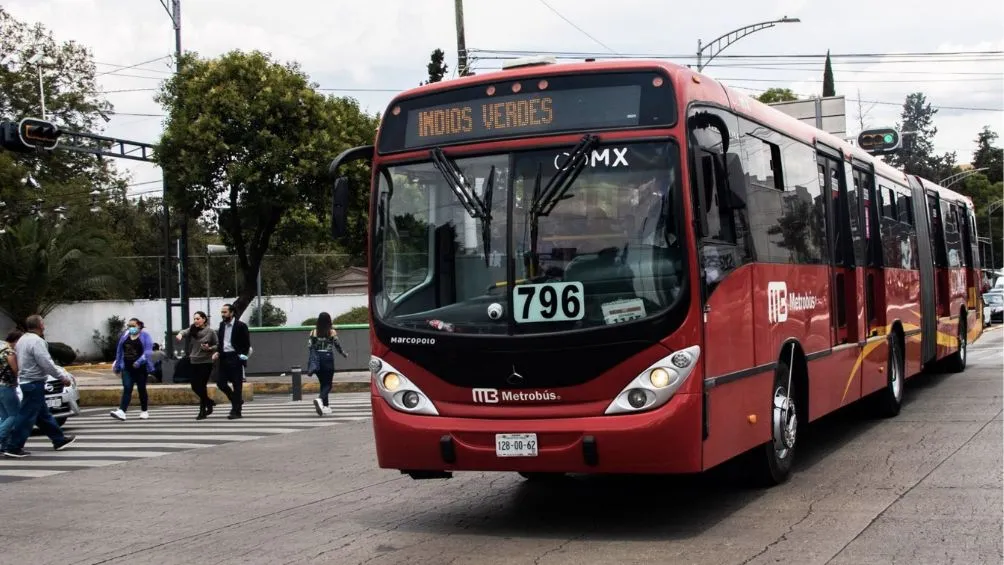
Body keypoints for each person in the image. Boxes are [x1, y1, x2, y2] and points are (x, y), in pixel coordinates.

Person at [4, 315, 76, 458]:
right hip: (34, 383)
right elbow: (46, 363)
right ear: (40, 325)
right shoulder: (37, 341)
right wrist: (62, 377)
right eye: (42, 323)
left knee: (43, 415)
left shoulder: (22, 340)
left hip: (27, 382)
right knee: (26, 416)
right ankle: (14, 447)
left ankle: (59, 440)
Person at [176, 311, 219, 420]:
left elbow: (217, 344)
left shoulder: (210, 332)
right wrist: (180, 334)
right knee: (194, 386)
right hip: (194, 361)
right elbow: (184, 331)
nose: (196, 321)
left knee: (202, 386)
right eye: (194, 319)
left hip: (206, 362)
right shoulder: (192, 329)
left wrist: (209, 348)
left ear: (204, 319)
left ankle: (202, 411)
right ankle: (209, 402)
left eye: (198, 319)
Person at [110, 317, 154, 421]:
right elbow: (119, 351)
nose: (131, 328)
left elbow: (148, 351)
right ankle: (122, 411)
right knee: (127, 388)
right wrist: (117, 365)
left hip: (140, 368)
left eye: (133, 326)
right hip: (127, 367)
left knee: (141, 389)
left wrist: (139, 361)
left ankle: (144, 411)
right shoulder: (125, 335)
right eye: (129, 326)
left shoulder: (145, 336)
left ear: (139, 326)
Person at [306, 312, 348, 416]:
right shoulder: (331, 332)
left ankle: (325, 406)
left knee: (323, 383)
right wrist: (343, 354)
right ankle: (320, 399)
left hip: (317, 359)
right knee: (328, 384)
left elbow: (309, 346)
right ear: (329, 320)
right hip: (327, 358)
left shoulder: (313, 332)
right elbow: (337, 345)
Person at [212, 303, 250, 419]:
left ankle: (236, 411)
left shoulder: (241, 326)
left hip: (235, 357)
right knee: (221, 383)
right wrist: (218, 352)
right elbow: (221, 342)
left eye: (225, 312)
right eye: (222, 312)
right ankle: (236, 401)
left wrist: (241, 358)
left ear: (232, 313)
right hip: (224, 357)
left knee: (237, 385)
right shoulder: (222, 325)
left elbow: (246, 345)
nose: (223, 314)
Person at [0, 330, 23, 454]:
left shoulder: (1, 350)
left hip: (1, 387)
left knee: (5, 417)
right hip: (7, 386)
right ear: (16, 341)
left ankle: (4, 445)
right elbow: (16, 370)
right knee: (15, 414)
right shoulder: (10, 352)